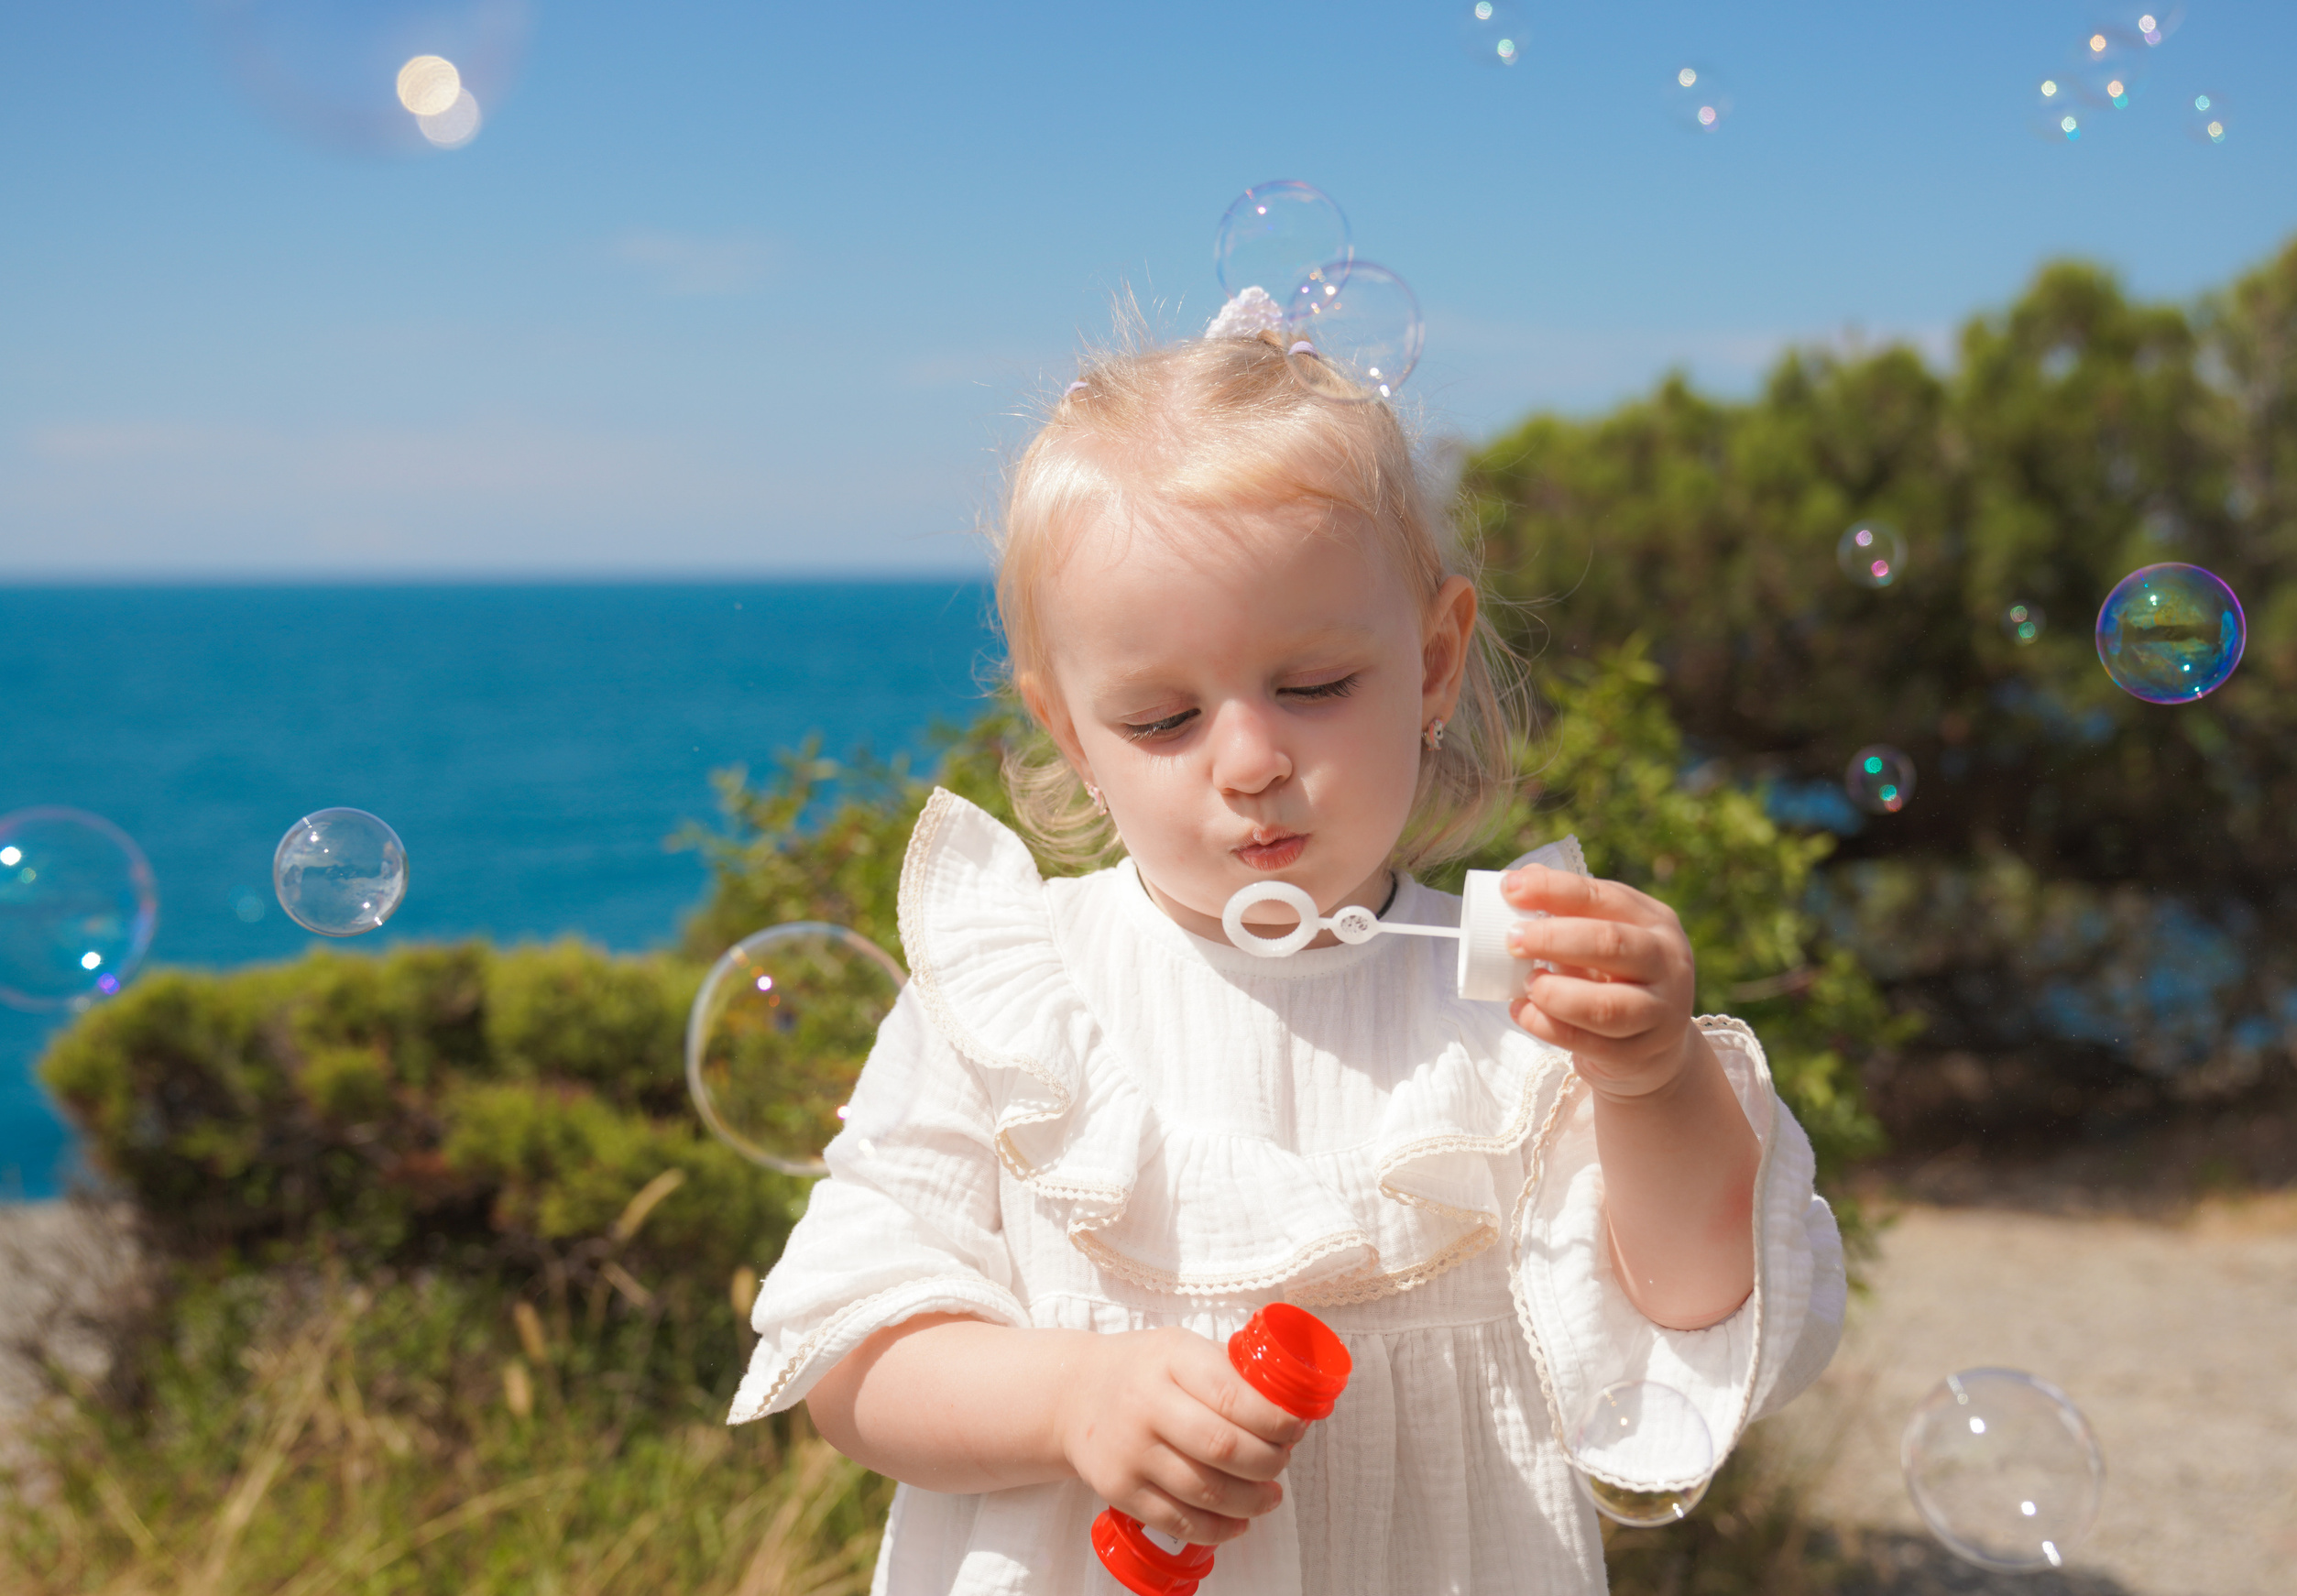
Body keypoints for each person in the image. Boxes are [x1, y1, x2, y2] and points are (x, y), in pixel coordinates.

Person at [728, 289, 1846, 1595]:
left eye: (1315, 688)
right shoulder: (1013, 993)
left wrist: (1654, 1078)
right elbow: (854, 1358)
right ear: (1071, 734)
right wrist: (1071, 1397)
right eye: (1161, 718)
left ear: (1435, 663)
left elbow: (1705, 1309)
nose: (1251, 761)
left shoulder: (1526, 1000)